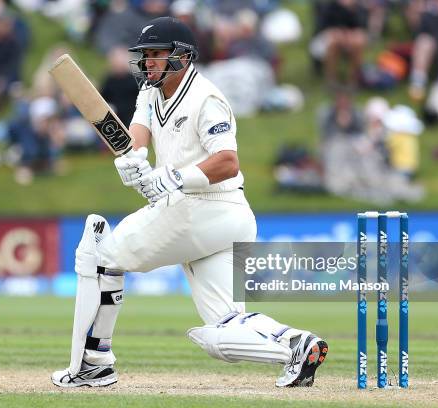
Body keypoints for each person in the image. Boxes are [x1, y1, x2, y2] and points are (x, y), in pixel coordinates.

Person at [51, 16, 328, 389]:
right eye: (144, 55)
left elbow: (228, 162)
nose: (147, 62)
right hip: (214, 217)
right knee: (224, 328)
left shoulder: (206, 98)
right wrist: (132, 161)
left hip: (205, 207)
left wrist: (174, 176)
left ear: (181, 57)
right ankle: (296, 345)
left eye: (156, 55)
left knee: (99, 257)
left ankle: (92, 364)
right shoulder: (151, 91)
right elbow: (138, 134)